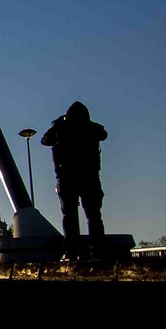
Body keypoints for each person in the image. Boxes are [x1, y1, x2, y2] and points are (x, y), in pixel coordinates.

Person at [41, 101, 110, 260]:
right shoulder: (92, 129)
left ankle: (71, 251)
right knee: (94, 215)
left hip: (67, 177)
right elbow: (103, 134)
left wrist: (57, 124)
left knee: (69, 216)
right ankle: (97, 250)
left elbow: (45, 140)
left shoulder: (60, 129)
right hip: (89, 176)